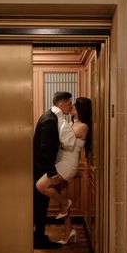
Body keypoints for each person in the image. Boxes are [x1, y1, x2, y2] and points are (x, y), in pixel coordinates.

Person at [36, 97, 92, 245]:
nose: (71, 106)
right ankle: (69, 232)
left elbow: (66, 140)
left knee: (41, 186)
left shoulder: (83, 126)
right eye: (71, 104)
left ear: (81, 109)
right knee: (63, 206)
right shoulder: (74, 123)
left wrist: (59, 117)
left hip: (67, 165)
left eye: (75, 105)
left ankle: (64, 202)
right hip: (61, 163)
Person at [33, 91, 73, 249]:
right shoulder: (50, 120)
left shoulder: (50, 117)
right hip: (41, 169)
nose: (70, 107)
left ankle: (39, 237)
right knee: (40, 205)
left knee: (41, 204)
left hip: (41, 168)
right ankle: (39, 240)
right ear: (61, 104)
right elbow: (45, 151)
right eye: (69, 104)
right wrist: (52, 174)